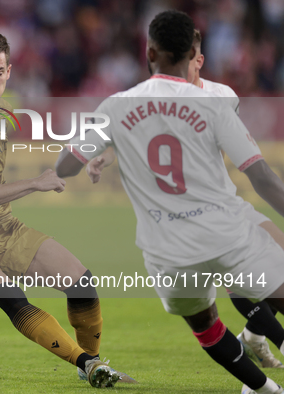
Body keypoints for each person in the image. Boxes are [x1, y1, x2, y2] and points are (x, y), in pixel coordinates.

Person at [56, 10, 284, 394]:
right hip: (224, 231)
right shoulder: (213, 102)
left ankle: (264, 390)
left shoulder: (116, 105)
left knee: (205, 326)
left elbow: (65, 167)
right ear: (193, 53)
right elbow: (260, 176)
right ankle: (262, 346)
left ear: (150, 52)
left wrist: (92, 148)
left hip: (167, 249)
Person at [0, 30, 132, 388]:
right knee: (11, 295)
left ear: (9, 71)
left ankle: (92, 362)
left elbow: (44, 150)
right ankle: (88, 365)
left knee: (82, 284)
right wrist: (33, 184)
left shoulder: (3, 111)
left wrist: (92, 157)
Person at [188, 28, 284, 369]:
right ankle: (274, 341)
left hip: (226, 203)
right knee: (239, 277)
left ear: (198, 60)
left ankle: (255, 337)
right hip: (183, 218)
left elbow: (253, 167)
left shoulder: (222, 96)